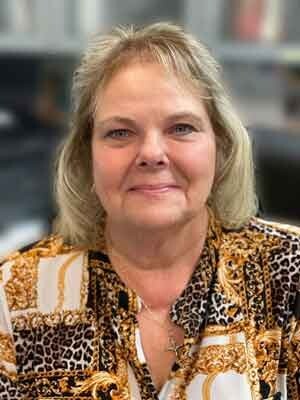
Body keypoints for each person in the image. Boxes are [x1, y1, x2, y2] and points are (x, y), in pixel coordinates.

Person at [0, 22, 299, 400]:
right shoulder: (15, 294)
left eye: (181, 128)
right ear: (86, 155)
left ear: (220, 147)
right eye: (120, 133)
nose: (152, 154)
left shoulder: (289, 274)